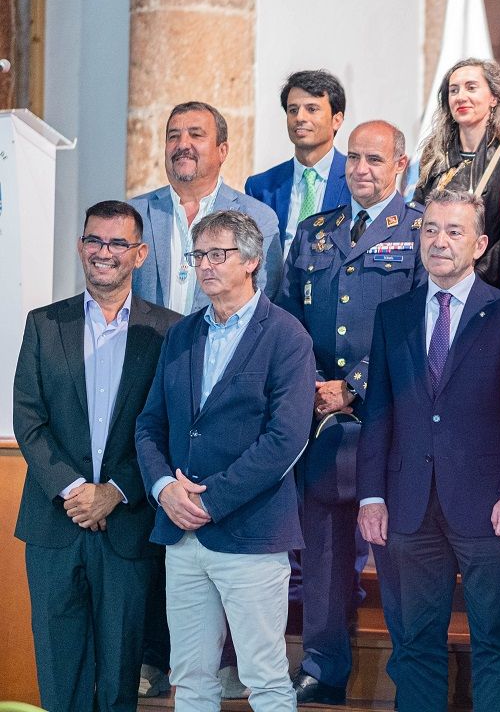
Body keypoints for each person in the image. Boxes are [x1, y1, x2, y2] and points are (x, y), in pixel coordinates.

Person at [135, 210, 316, 712]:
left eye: (220, 254)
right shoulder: (182, 334)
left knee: (265, 678)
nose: (206, 265)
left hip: (251, 533)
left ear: (253, 260)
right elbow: (150, 424)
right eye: (199, 255)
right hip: (180, 530)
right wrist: (163, 489)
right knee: (190, 677)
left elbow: (286, 439)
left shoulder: (286, 336)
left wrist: (211, 500)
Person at [357, 188, 500, 711]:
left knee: (494, 640)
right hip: (407, 503)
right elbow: (378, 411)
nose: (439, 241)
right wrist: (370, 497)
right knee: (413, 642)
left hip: (486, 506)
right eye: (430, 229)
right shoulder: (394, 314)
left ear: (479, 245)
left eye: (454, 232)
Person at [276, 119, 425, 704]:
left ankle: (411, 670)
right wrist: (313, 384)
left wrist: (353, 386)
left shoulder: (418, 232)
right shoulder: (317, 232)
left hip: (386, 421)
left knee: (396, 557)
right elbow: (286, 320)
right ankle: (323, 666)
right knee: (324, 556)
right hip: (319, 425)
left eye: (374, 159)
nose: (361, 169)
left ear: (400, 164)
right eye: (354, 159)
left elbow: (420, 324)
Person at [13, 201, 180, 712]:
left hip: (127, 526)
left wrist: (114, 492)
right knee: (60, 676)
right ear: (81, 246)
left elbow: (169, 427)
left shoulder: (168, 331)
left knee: (118, 679)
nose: (103, 253)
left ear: (140, 253)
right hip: (54, 524)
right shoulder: (44, 323)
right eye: (94, 241)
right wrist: (74, 490)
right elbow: (28, 418)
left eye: (116, 243)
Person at [131, 100, 283, 313]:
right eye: (173, 136)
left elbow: (262, 302)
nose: (182, 145)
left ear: (222, 151)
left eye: (196, 135)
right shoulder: (134, 213)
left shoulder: (258, 218)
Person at [414, 58, 500, 287]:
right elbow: (417, 215)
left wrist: (475, 278)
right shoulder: (434, 155)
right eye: (453, 90)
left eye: (471, 87)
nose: (461, 97)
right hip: (435, 277)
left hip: (489, 282)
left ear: (494, 97)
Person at [245, 70, 351, 251]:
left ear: (337, 120)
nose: (300, 118)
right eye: (293, 110)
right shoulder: (261, 187)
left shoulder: (356, 179)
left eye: (312, 109)